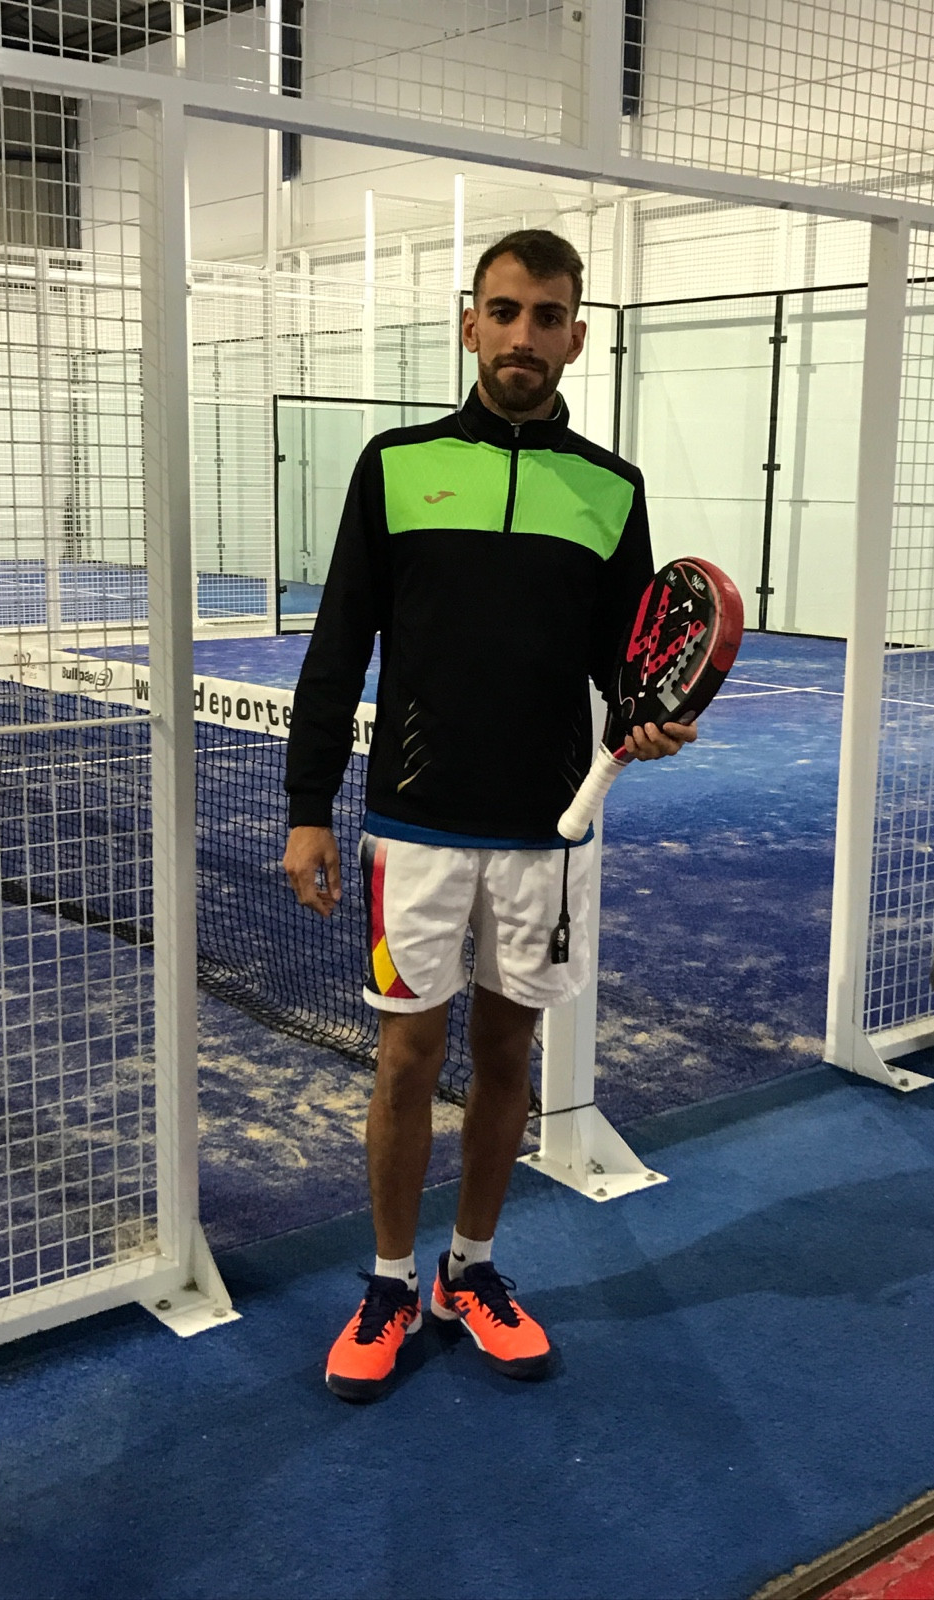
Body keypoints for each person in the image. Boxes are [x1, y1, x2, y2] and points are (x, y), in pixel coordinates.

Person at [283, 229, 696, 1402]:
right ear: (470, 324)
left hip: (545, 834)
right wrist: (310, 807)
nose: (524, 335)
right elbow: (338, 644)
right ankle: (388, 1283)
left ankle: (471, 1269)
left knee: (509, 1052)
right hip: (413, 828)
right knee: (406, 1058)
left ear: (578, 335)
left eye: (547, 315)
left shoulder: (612, 489)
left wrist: (649, 718)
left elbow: (628, 661)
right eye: (504, 311)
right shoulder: (396, 464)